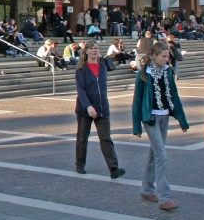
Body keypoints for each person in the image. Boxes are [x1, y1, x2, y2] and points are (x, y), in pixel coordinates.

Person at [132, 41, 189, 211]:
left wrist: (182, 119)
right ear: (154, 56)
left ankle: (147, 189)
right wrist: (136, 125)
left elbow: (174, 96)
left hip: (164, 116)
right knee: (161, 155)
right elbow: (137, 101)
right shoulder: (144, 74)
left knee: (155, 153)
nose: (166, 59)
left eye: (167, 56)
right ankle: (164, 197)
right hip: (150, 118)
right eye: (163, 56)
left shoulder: (168, 72)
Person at [74, 41, 125, 178]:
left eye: (96, 48)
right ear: (86, 51)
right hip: (86, 109)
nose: (94, 50)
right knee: (82, 137)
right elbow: (81, 90)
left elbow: (102, 87)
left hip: (102, 108)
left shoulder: (102, 67)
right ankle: (80, 163)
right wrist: (88, 106)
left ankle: (113, 168)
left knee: (106, 138)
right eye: (91, 48)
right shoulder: (81, 69)